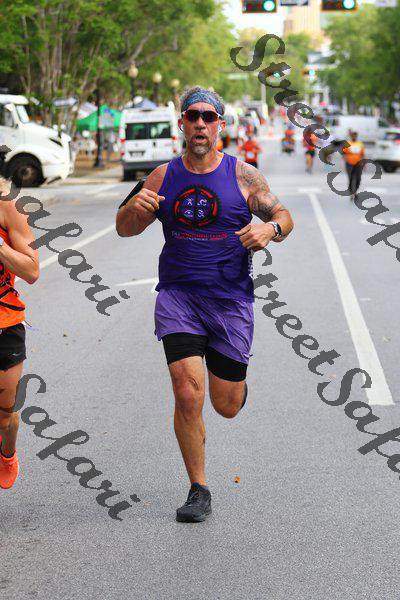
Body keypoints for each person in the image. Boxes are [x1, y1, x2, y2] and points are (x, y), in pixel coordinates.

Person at [116, 86, 293, 523]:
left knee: (225, 405)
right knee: (185, 391)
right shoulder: (161, 177)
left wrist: (269, 230)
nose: (200, 123)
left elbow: (283, 217)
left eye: (208, 117)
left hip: (230, 301)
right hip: (178, 297)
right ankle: (199, 488)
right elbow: (124, 228)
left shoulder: (244, 176)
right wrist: (135, 207)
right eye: (192, 116)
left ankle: (234, 384)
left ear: (220, 125)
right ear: (181, 124)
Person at [0, 177, 39, 489]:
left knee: (4, 417)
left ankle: (7, 453)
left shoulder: (9, 207)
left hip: (5, 323)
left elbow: (31, 270)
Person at [343, 130, 365, 200]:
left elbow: (362, 154)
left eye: (355, 135)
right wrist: (346, 158)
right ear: (351, 136)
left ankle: (355, 191)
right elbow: (344, 153)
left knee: (358, 178)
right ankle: (351, 192)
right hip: (349, 163)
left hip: (358, 163)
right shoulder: (348, 143)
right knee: (351, 178)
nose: (354, 137)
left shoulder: (360, 144)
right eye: (353, 135)